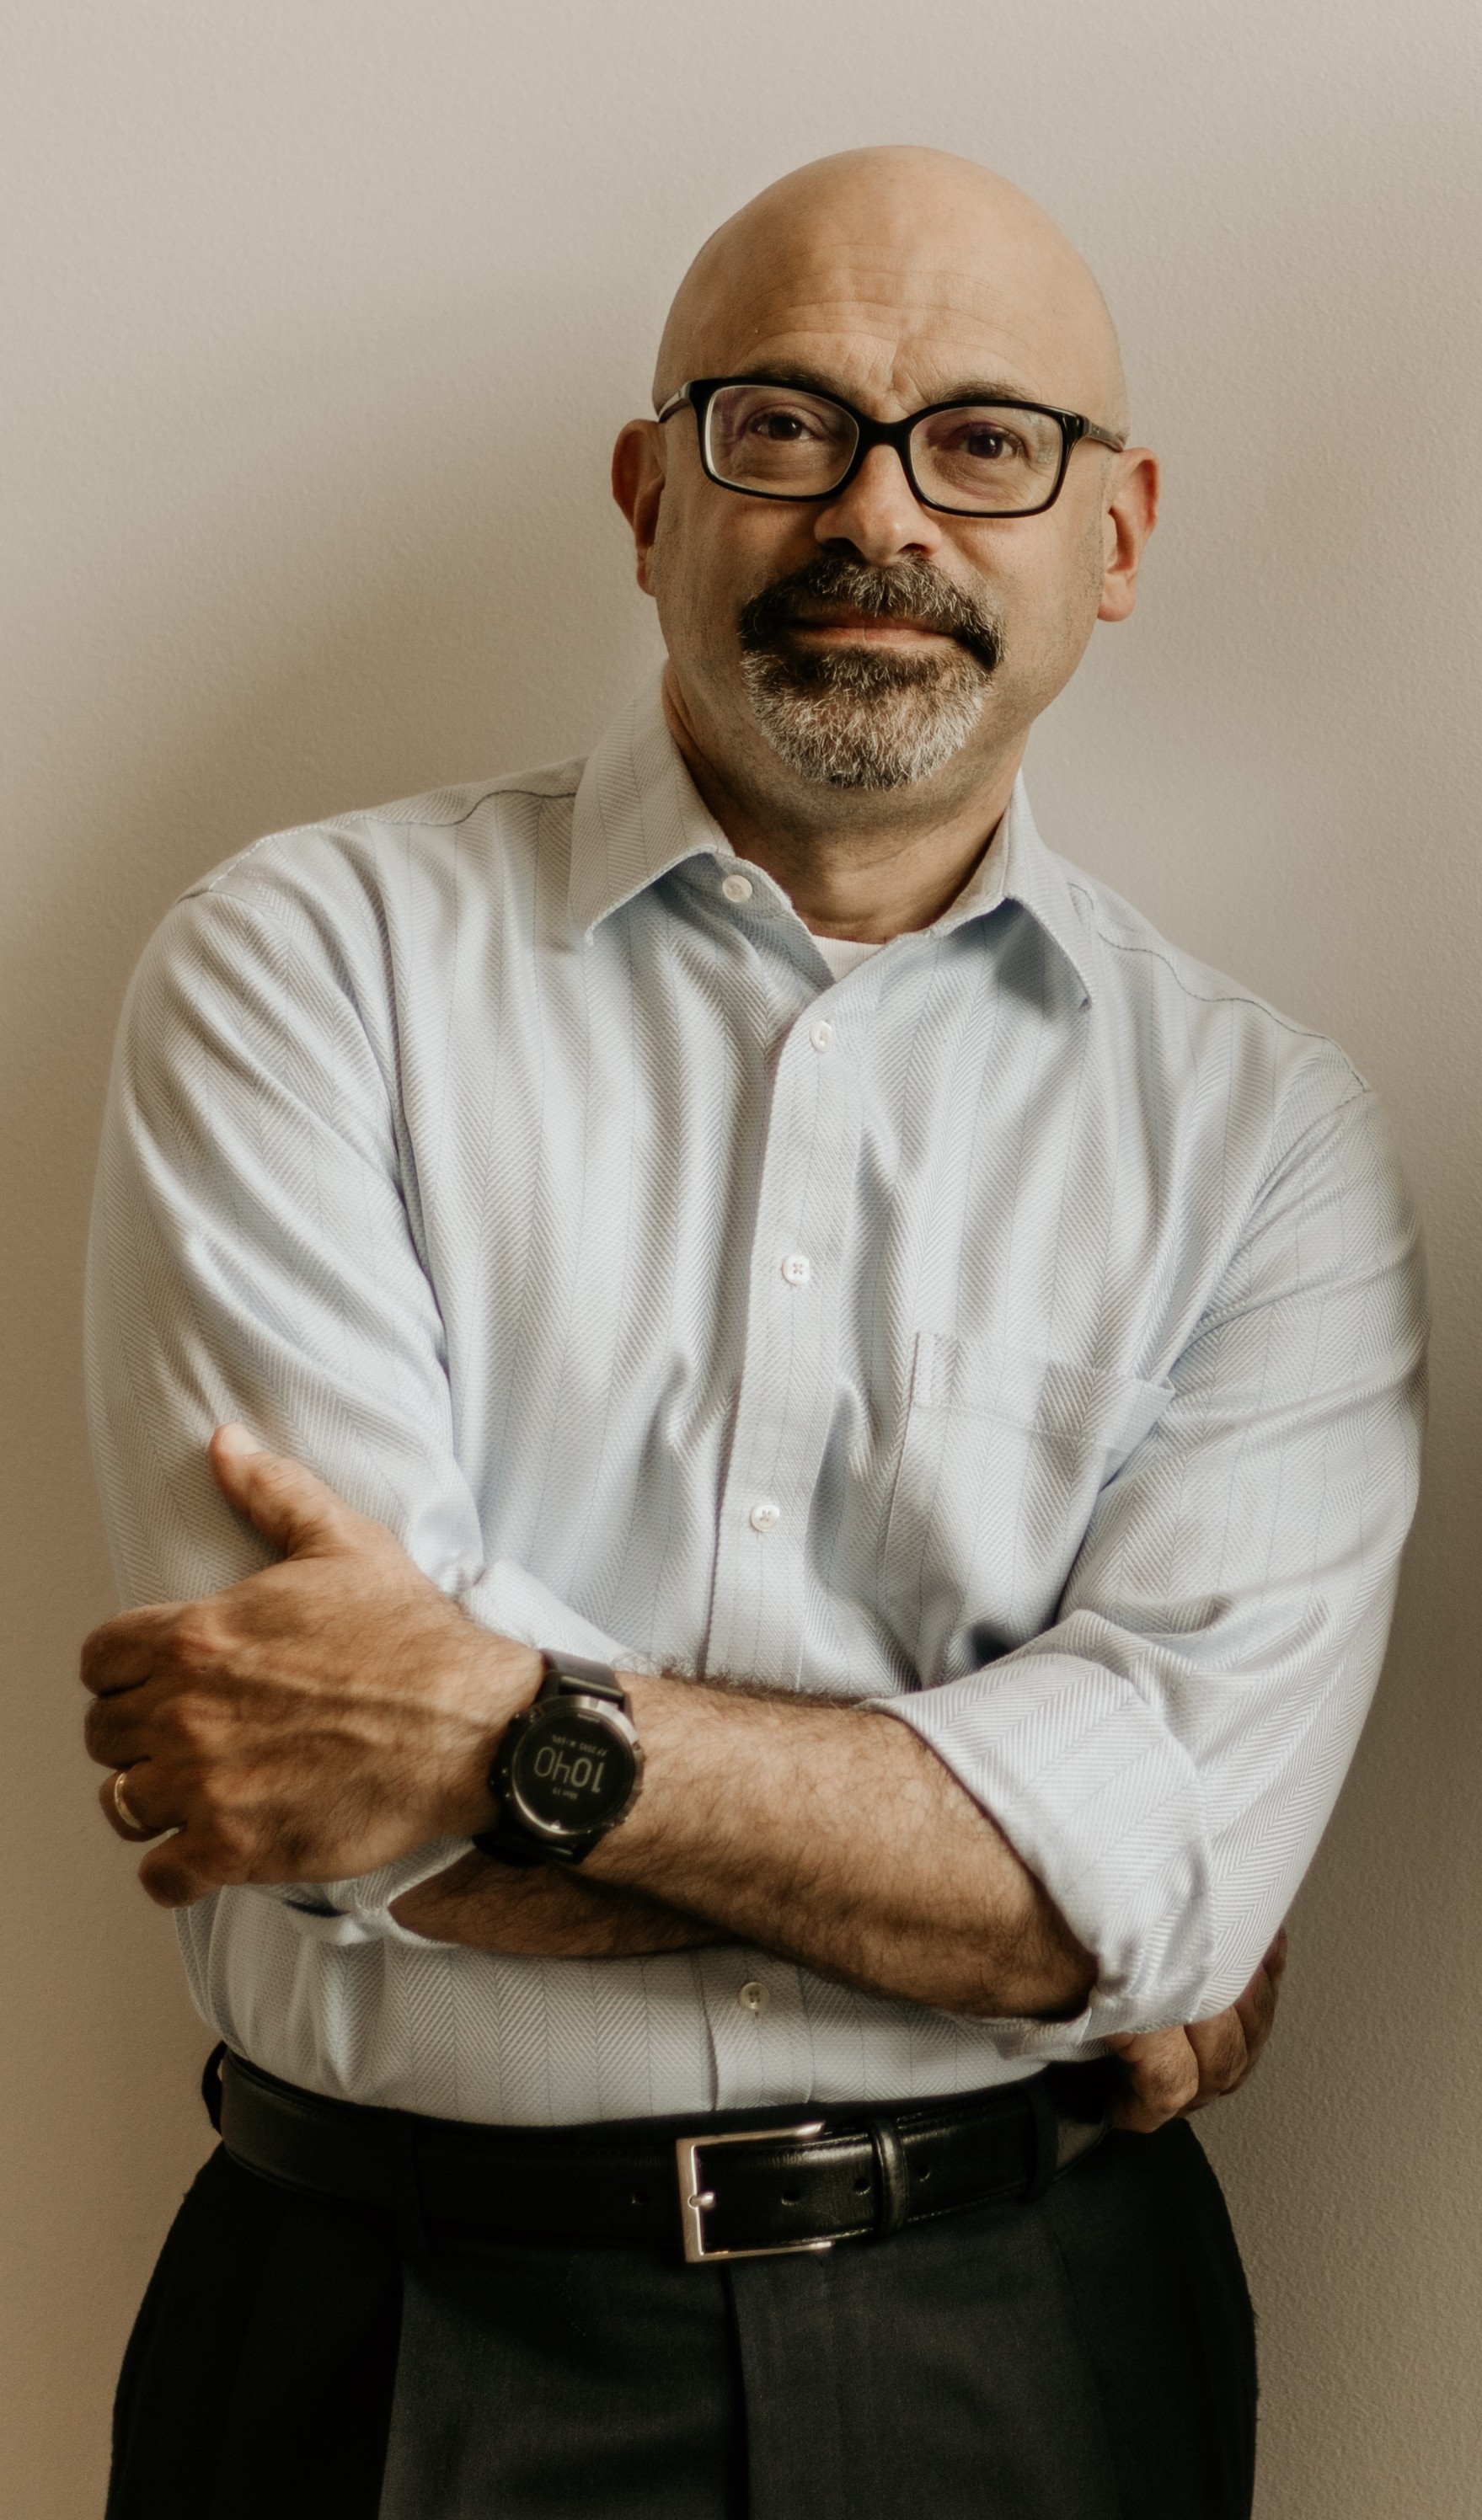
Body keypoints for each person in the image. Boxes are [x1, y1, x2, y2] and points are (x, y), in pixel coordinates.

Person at [82, 147, 1423, 2520]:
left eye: (988, 441)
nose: (878, 513)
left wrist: (492, 1733)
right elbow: (312, 1791)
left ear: (1113, 535)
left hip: (1033, 2347)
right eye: (783, 424)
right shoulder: (310, 973)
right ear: (649, 492)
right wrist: (1028, 1895)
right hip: (385, 2332)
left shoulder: (1266, 1138)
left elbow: (1170, 1882)